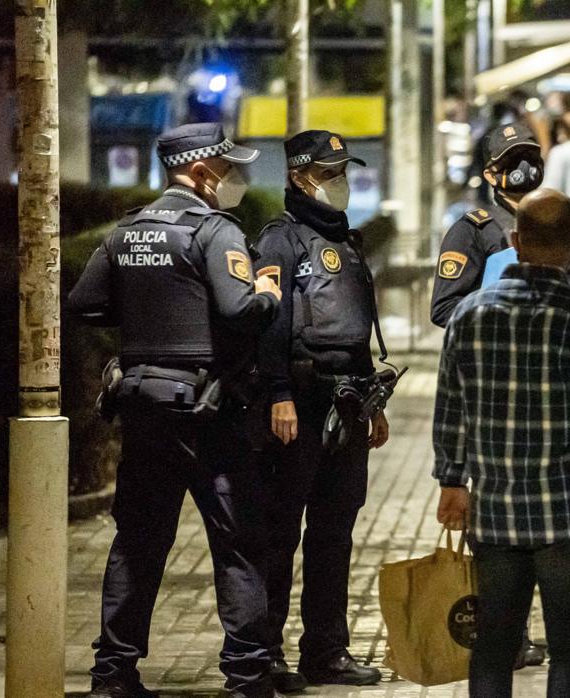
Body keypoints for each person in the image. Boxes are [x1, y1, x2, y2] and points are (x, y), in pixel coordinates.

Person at [67, 123, 284, 698]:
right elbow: (240, 311)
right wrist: (269, 294)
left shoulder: (126, 232)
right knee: (238, 543)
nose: (236, 178)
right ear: (201, 172)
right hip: (209, 412)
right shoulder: (214, 232)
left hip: (143, 407)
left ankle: (113, 673)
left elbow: (83, 306)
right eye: (229, 168)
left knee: (137, 541)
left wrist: (144, 320)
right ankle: (247, 675)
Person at [433, 189, 570, 698]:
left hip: (494, 510)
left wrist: (451, 479)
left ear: (514, 241)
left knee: (493, 647)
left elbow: (450, 409)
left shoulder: (468, 316)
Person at [253, 130, 390, 691]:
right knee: (280, 533)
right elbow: (269, 325)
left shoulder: (346, 241)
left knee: (335, 534)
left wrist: (373, 405)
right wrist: (278, 393)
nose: (341, 182)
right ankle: (265, 654)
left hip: (349, 407)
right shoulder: (278, 243)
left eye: (343, 172)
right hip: (299, 407)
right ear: (299, 178)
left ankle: (327, 652)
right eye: (330, 172)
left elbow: (355, 333)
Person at [430, 122, 570, 330]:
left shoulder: (560, 221)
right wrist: (506, 325)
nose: (524, 165)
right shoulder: (472, 231)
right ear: (489, 175)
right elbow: (444, 308)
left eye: (530, 155)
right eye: (512, 159)